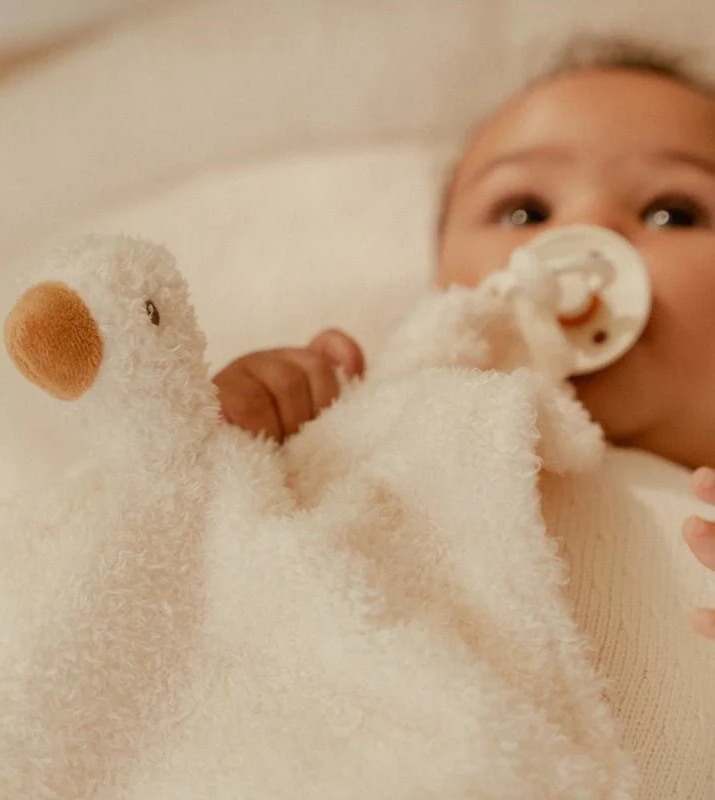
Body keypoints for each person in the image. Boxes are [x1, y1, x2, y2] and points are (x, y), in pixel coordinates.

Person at [211, 36, 715, 639]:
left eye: (673, 213)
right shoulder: (372, 434)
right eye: (524, 212)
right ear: (440, 291)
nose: (585, 234)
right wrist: (243, 437)